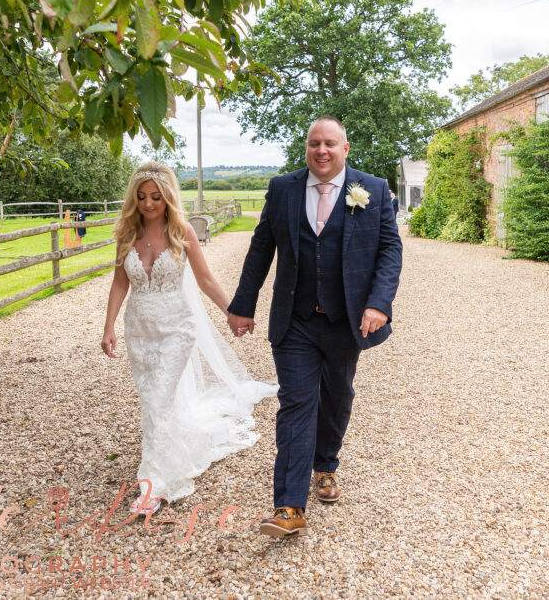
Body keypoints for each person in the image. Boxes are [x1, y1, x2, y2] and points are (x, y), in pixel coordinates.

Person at [226, 116, 402, 537]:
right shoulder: (283, 188)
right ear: (306, 148)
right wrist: (242, 305)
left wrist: (379, 303)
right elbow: (261, 248)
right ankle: (288, 507)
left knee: (338, 397)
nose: (321, 151)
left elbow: (390, 251)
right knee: (295, 404)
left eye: (330, 144)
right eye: (314, 144)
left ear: (345, 149)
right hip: (295, 321)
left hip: (346, 321)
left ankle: (325, 465)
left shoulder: (372, 190)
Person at [101, 162, 278, 515]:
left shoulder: (182, 232)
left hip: (176, 329)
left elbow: (206, 280)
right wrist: (108, 327)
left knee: (158, 402)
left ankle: (154, 485)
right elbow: (120, 283)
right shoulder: (126, 234)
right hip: (139, 330)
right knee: (153, 400)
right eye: (141, 197)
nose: (149, 203)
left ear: (167, 197)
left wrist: (233, 311)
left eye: (155, 197)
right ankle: (168, 454)